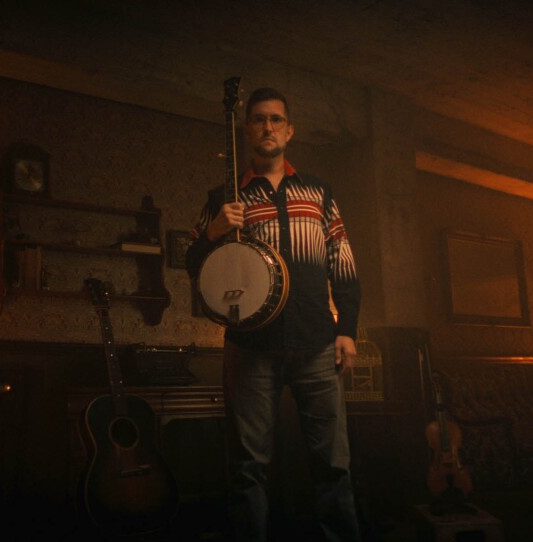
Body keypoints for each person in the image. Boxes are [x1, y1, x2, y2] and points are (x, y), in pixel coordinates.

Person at [186, 87, 362, 541]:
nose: (268, 127)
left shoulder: (318, 192)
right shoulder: (223, 196)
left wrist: (348, 330)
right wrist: (213, 232)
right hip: (251, 347)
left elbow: (342, 262)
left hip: (318, 344)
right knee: (248, 466)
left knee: (333, 463)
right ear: (247, 129)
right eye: (259, 119)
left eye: (276, 120)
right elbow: (192, 265)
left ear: (289, 130)